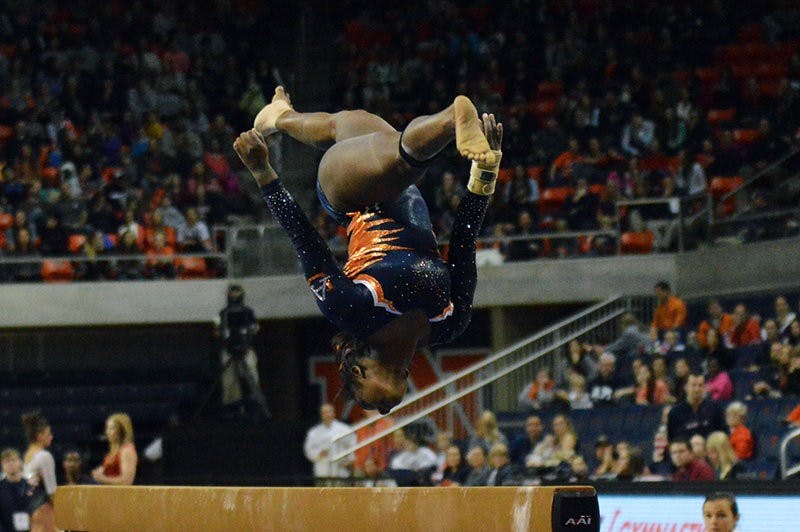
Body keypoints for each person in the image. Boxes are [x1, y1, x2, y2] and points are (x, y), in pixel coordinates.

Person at [236, 88, 502, 415]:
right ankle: (278, 116)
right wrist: (485, 173)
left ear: (359, 373)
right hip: (392, 177)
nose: (386, 409)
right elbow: (464, 241)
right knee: (344, 125)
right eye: (388, 406)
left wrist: (263, 173)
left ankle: (452, 116)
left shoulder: (351, 310)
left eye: (374, 403)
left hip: (348, 194)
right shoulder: (449, 322)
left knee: (402, 163)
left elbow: (306, 241)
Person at [213, 284, 267, 417]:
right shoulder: (224, 313)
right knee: (229, 379)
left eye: (237, 294)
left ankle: (256, 402)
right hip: (228, 350)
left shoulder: (248, 312)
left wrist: (248, 332)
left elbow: (255, 328)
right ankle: (233, 406)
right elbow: (218, 331)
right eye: (232, 294)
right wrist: (221, 332)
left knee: (252, 373)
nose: (235, 297)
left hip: (246, 348)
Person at [20, 412, 56, 532]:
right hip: (42, 508)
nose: (51, 437)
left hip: (30, 508)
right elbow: (51, 490)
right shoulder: (44, 456)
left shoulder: (27, 454)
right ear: (39, 436)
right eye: (48, 434)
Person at [303, 403, 356, 480]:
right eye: (325, 412)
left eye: (329, 411)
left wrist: (349, 460)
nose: (327, 414)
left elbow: (353, 445)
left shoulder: (344, 429)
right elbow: (308, 450)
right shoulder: (314, 432)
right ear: (321, 415)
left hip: (340, 470)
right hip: (322, 469)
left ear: (334, 413)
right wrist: (318, 454)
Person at [667, 374, 725, 441]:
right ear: (686, 387)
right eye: (693, 385)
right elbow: (671, 440)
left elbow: (723, 435)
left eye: (700, 385)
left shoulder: (715, 409)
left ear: (705, 388)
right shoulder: (675, 412)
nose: (697, 389)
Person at [91, 413, 137, 485]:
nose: (107, 432)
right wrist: (102, 471)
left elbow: (126, 481)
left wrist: (102, 478)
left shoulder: (127, 450)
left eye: (111, 428)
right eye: (107, 428)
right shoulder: (115, 450)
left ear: (121, 431)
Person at [1, 448, 31, 532]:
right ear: (2, 465)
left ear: (20, 462)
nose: (11, 463)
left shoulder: (30, 486)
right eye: (6, 461)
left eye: (13, 460)